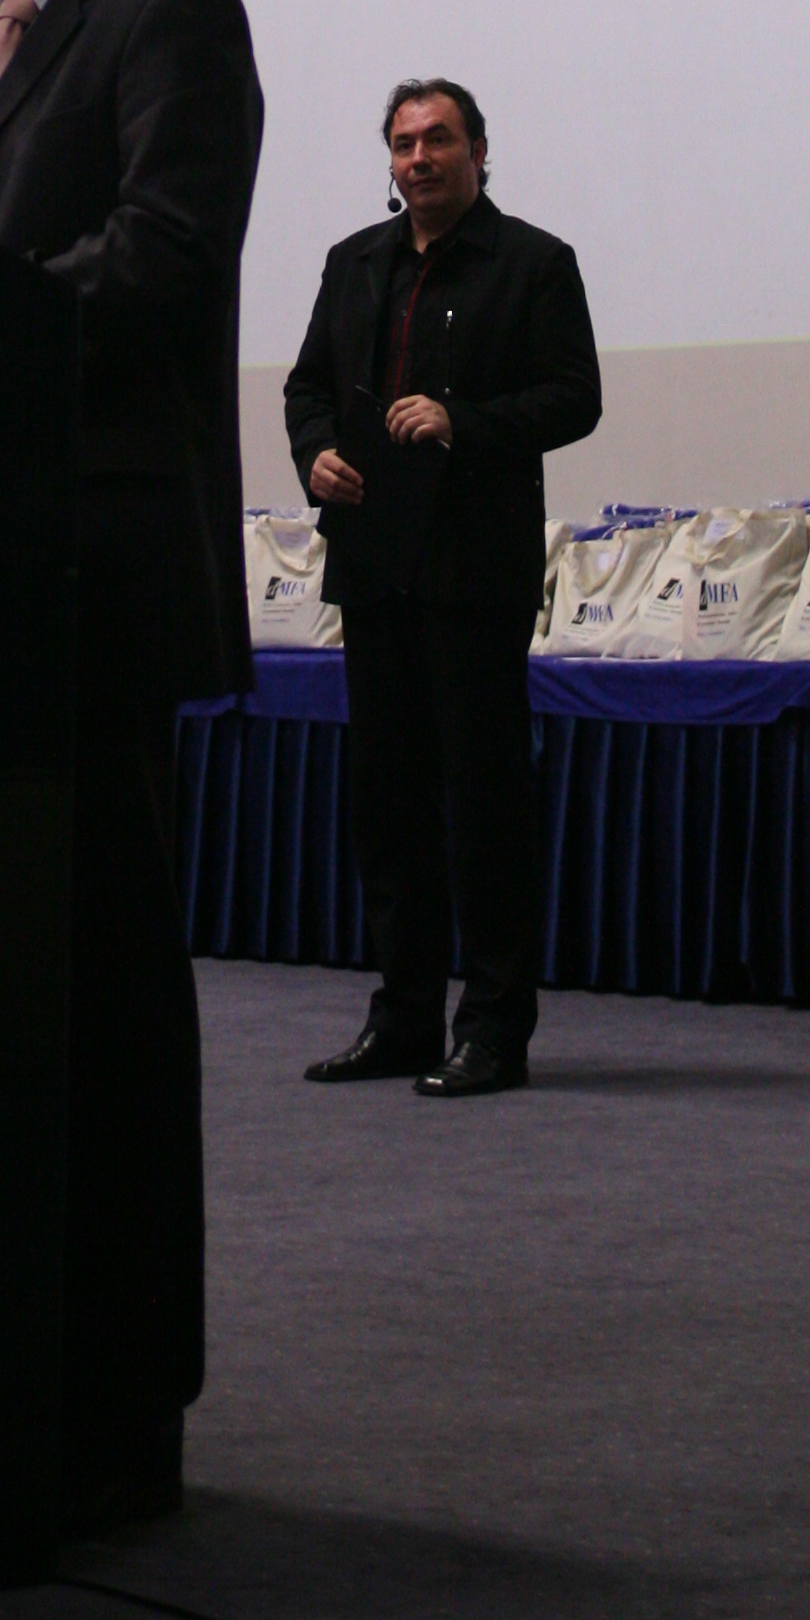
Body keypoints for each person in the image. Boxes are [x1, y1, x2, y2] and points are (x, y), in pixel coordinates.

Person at [0, 0, 262, 1535]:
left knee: (104, 990)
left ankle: (122, 1400)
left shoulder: (168, 6)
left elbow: (164, 254)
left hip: (92, 568)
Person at [283, 78, 600, 1097]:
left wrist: (463, 422)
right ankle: (404, 1021)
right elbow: (307, 388)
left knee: (484, 808)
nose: (418, 158)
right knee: (389, 812)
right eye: (403, 143)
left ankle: (495, 1030)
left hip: (474, 569)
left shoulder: (534, 263)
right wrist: (316, 454)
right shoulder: (352, 263)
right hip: (374, 564)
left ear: (478, 152)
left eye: (438, 140)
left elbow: (575, 399)